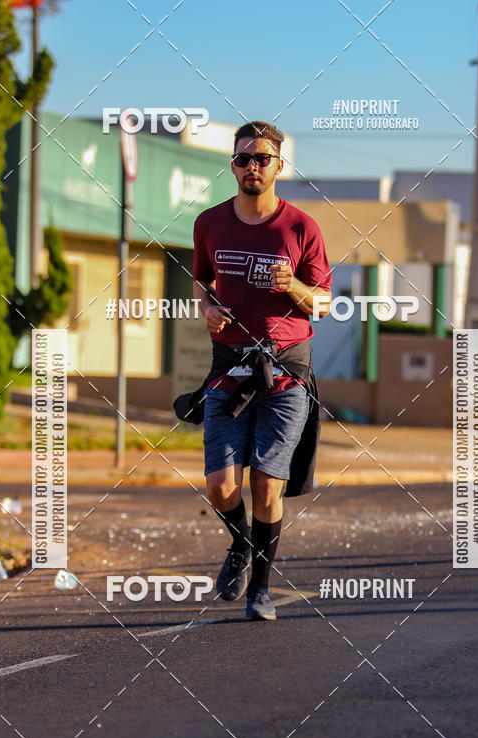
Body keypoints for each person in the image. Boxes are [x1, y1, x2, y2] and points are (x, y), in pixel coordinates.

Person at [191, 120, 332, 620]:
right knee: (219, 487)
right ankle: (240, 543)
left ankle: (260, 591)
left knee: (266, 484)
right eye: (243, 158)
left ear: (279, 165)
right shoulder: (208, 222)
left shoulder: (301, 228)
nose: (252, 166)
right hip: (229, 368)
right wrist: (206, 309)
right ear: (233, 165)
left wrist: (292, 285)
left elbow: (324, 305)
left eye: (262, 158)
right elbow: (202, 283)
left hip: (286, 372)